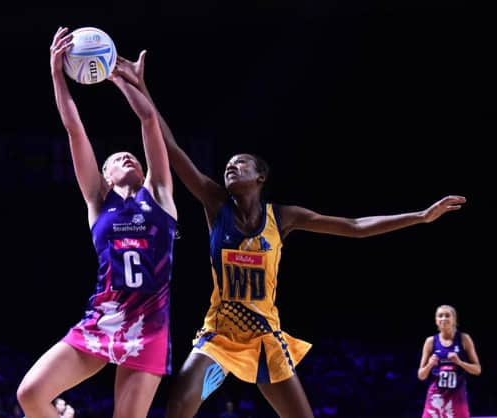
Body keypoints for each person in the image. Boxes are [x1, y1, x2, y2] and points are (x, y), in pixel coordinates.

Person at [113, 52, 468, 418]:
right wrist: (139, 87)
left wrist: (422, 217)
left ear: (260, 177)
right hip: (219, 334)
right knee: (179, 403)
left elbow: (355, 227)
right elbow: (170, 150)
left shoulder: (282, 217)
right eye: (228, 164)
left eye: (241, 163)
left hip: (265, 335)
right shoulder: (215, 204)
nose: (231, 166)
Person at [16, 27, 178, 418]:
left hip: (149, 327)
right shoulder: (97, 202)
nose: (129, 159)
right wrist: (57, 74)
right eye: (118, 158)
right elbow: (75, 130)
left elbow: (150, 123)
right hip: (103, 319)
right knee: (30, 394)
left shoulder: (159, 196)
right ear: (103, 176)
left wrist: (121, 79)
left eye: (133, 158)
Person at [417, 304, 481, 418]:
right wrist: (430, 365)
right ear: (436, 320)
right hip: (435, 398)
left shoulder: (464, 339)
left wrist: (460, 362)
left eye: (447, 315)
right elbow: (421, 375)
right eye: (440, 316)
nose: (443, 319)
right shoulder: (430, 341)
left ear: (454, 319)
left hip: (457, 399)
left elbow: (477, 370)